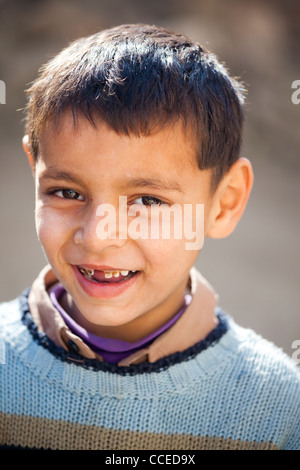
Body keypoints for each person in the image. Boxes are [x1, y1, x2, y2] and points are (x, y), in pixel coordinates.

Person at [0, 23, 299, 451]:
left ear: (225, 202)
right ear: (35, 173)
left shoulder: (276, 404)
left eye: (148, 200)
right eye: (66, 193)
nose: (99, 237)